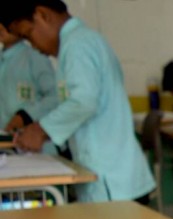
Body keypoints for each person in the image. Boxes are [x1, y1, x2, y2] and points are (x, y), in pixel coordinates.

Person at [6, 0, 154, 203]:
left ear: (42, 15)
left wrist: (41, 130)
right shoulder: (80, 42)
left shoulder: (78, 45)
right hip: (112, 178)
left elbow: (84, 101)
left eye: (29, 35)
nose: (33, 45)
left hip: (113, 184)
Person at [0, 17, 55, 134]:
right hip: (6, 143)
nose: (0, 28)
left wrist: (26, 115)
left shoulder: (35, 57)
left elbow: (55, 96)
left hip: (35, 144)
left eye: (5, 23)